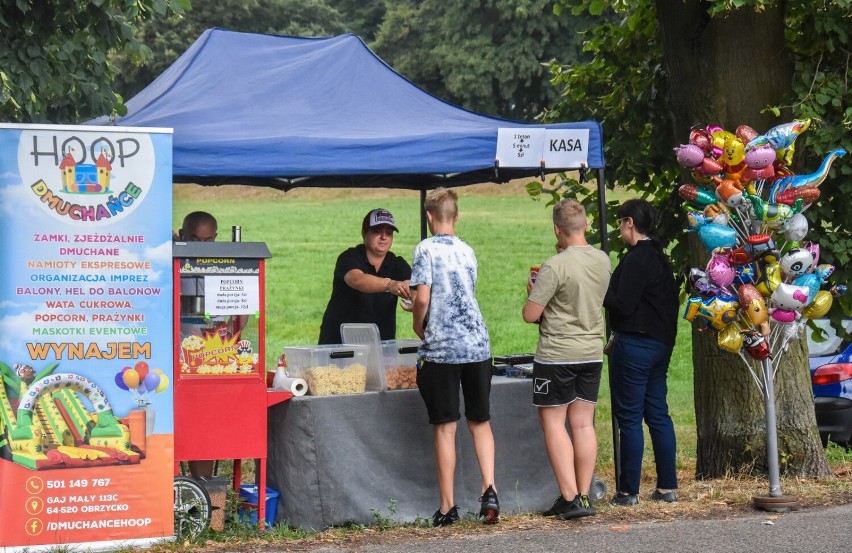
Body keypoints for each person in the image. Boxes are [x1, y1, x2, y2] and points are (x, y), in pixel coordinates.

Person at [410, 187, 499, 527]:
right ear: (457, 216)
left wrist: (420, 326)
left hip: (443, 348)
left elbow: (422, 298)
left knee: (446, 427)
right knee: (480, 421)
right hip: (478, 344)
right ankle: (490, 490)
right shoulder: (467, 250)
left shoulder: (425, 249)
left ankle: (447, 507)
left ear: (429, 217)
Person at [522, 199, 611, 520]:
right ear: (586, 224)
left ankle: (569, 496)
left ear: (556, 229)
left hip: (557, 354)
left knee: (554, 424)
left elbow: (531, 314)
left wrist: (529, 289)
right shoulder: (603, 260)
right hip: (591, 352)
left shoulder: (554, 266)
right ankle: (585, 495)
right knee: (584, 423)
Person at [604, 198, 680, 506]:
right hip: (661, 345)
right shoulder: (661, 260)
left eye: (621, 222)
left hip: (635, 344)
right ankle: (666, 487)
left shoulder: (636, 260)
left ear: (629, 223)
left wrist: (603, 292)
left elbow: (623, 303)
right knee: (658, 414)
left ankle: (627, 491)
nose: (620, 228)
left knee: (630, 418)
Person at [318, 208, 412, 345]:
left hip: (382, 346)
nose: (384, 237)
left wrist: (414, 298)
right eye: (377, 231)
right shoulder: (349, 257)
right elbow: (358, 280)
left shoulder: (397, 263)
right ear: (364, 233)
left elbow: (413, 286)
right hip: (339, 344)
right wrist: (390, 285)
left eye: (389, 233)